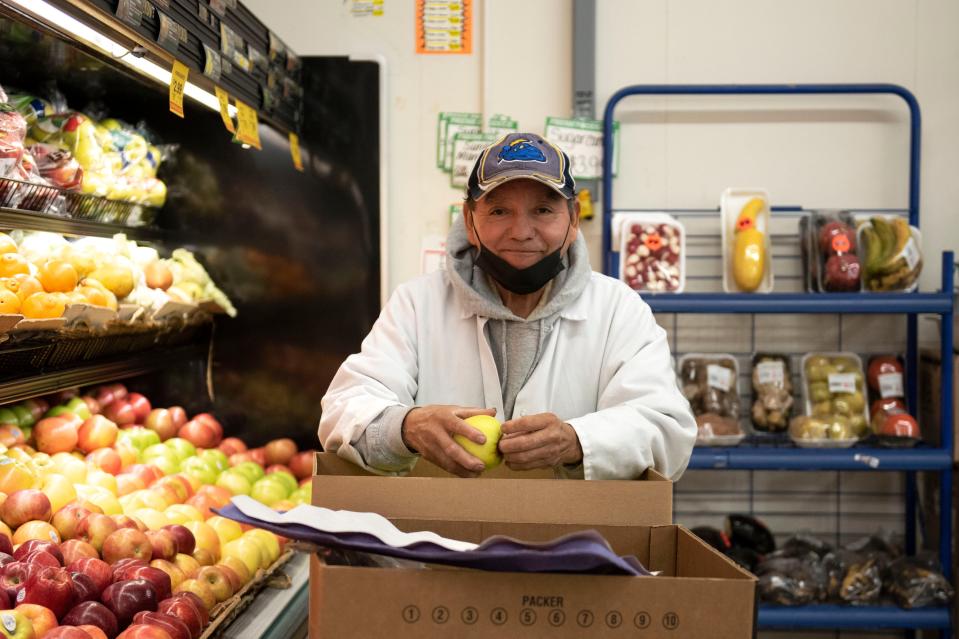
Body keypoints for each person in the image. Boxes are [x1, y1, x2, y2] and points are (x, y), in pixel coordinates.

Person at [319, 133, 696, 479]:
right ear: (469, 220)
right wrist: (406, 427)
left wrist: (576, 440)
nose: (520, 231)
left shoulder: (618, 311)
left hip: (573, 541)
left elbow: (667, 432)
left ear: (573, 221)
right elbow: (343, 410)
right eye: (499, 211)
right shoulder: (418, 305)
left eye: (543, 211)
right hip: (443, 537)